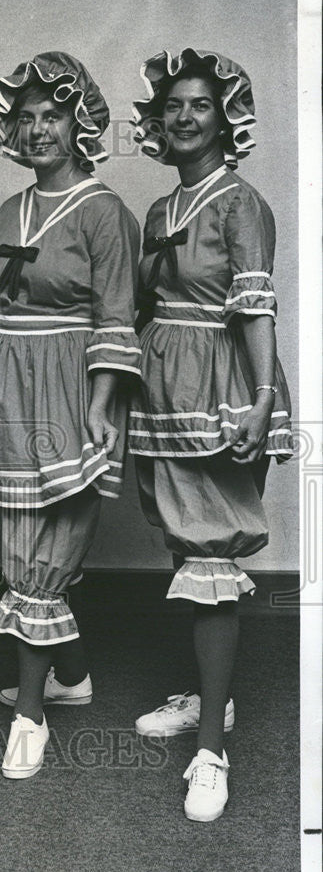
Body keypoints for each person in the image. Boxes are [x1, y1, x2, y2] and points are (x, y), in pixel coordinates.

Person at [0, 52, 141, 778]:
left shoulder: (104, 212)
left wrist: (101, 405)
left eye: (52, 116)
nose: (36, 130)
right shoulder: (12, 207)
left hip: (67, 386)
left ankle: (28, 715)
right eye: (24, 117)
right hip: (4, 383)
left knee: (43, 549)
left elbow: (117, 318)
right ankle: (71, 677)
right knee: (18, 534)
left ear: (81, 123)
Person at [129, 47, 293, 821]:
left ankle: (211, 753)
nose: (186, 117)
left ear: (226, 117)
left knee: (210, 553)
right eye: (174, 106)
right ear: (157, 121)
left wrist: (260, 400)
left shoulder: (239, 203)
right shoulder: (161, 210)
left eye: (201, 105)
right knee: (184, 547)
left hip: (222, 387)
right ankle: (209, 699)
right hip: (163, 385)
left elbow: (254, 308)